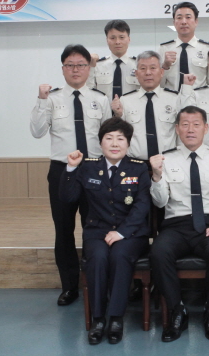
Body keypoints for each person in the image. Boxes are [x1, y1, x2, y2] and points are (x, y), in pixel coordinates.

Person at [30, 44, 112, 306]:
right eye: (70, 65)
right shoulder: (51, 98)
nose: (75, 70)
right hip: (62, 170)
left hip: (94, 168)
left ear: (88, 68)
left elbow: (109, 138)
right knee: (63, 229)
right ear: (63, 68)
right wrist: (41, 100)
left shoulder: (100, 99)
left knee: (94, 228)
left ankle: (95, 282)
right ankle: (69, 286)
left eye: (81, 65)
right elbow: (37, 132)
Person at [149, 106, 209, 342]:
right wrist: (156, 176)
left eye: (196, 124)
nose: (190, 129)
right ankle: (177, 310)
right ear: (177, 129)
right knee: (159, 252)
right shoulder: (165, 159)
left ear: (206, 128)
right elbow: (160, 202)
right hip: (176, 225)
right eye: (185, 124)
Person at [59, 118, 150, 345]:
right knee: (98, 258)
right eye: (109, 138)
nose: (115, 143)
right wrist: (71, 168)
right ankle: (98, 319)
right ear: (100, 143)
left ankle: (116, 318)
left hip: (131, 234)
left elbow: (142, 207)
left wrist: (121, 233)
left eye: (120, 139)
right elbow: (68, 198)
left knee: (120, 255)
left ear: (128, 143)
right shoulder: (88, 166)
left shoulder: (139, 168)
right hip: (97, 231)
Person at [117, 51, 195, 160]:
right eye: (143, 68)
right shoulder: (125, 100)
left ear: (162, 72)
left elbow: (189, 120)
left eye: (153, 68)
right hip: (135, 163)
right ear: (136, 73)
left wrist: (187, 87)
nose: (148, 73)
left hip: (168, 161)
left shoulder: (174, 98)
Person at [159, 2, 209, 90]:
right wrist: (165, 66)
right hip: (172, 97)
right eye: (179, 18)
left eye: (188, 17)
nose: (184, 22)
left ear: (196, 21)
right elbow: (158, 85)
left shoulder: (208, 49)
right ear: (174, 23)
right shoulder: (164, 49)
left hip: (199, 97)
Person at [87, 19, 139, 100]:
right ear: (107, 40)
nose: (117, 42)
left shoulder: (139, 65)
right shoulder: (97, 65)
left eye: (121, 37)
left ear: (129, 39)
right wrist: (90, 66)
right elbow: (89, 90)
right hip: (104, 108)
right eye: (112, 38)